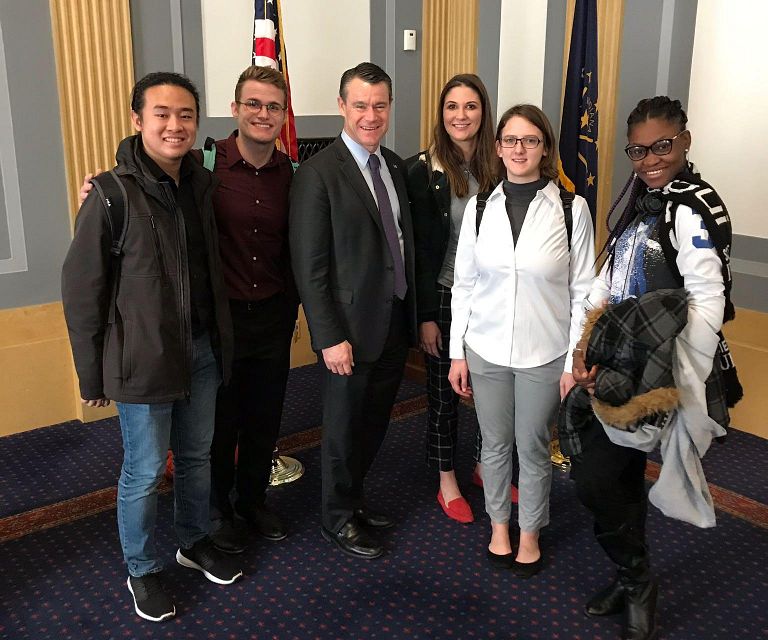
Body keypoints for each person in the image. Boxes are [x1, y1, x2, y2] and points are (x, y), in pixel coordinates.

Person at [62, 72, 242, 623]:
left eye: (186, 114)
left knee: (196, 457)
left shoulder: (202, 183)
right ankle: (140, 568)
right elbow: (83, 290)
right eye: (162, 113)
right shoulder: (112, 194)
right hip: (143, 361)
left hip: (203, 352)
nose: (175, 124)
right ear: (138, 120)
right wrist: (91, 376)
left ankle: (191, 541)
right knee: (143, 471)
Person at [570, 96, 731, 640]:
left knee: (598, 477)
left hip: (658, 374)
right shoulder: (643, 202)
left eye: (661, 146)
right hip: (615, 362)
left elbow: (708, 300)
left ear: (684, 140)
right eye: (638, 150)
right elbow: (606, 280)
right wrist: (581, 346)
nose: (649, 159)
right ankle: (630, 572)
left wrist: (685, 383)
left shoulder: (688, 207)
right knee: (612, 476)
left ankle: (636, 577)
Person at [448, 104, 594, 576]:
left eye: (529, 140)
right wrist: (456, 352)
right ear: (497, 146)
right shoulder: (479, 208)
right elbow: (464, 285)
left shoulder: (572, 210)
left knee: (531, 445)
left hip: (544, 352)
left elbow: (583, 292)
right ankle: (499, 527)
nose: (518, 149)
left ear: (544, 148)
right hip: (484, 349)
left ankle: (529, 533)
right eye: (510, 140)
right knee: (492, 444)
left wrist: (574, 360)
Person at [289, 62, 417, 560]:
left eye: (379, 105)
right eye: (360, 104)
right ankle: (337, 517)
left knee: (374, 421)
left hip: (393, 322)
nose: (370, 115)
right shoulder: (319, 173)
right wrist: (327, 335)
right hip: (347, 330)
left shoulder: (394, 166)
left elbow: (404, 245)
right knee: (343, 428)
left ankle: (355, 498)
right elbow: (310, 265)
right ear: (342, 106)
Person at [206, 65, 298, 551]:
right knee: (222, 420)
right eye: (254, 104)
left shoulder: (290, 173)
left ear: (284, 115)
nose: (264, 114)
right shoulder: (206, 164)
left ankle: (253, 500)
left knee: (265, 416)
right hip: (221, 322)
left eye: (273, 107)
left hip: (273, 316)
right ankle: (218, 510)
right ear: (236, 108)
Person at [405, 74, 501, 524]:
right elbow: (419, 252)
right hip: (444, 296)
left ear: (484, 112)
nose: (460, 116)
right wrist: (425, 316)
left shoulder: (500, 165)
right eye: (451, 107)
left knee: (491, 391)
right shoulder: (422, 170)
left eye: (470, 106)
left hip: (494, 299)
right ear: (441, 115)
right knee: (445, 392)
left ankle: (485, 467)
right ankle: (447, 479)